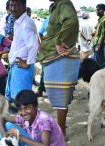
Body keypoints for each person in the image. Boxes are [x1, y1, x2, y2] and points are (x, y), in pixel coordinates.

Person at [37, 0, 79, 136]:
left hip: (58, 58)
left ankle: (61, 133)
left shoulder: (63, 4)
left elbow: (71, 21)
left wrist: (59, 41)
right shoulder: (57, 5)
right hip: (55, 57)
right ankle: (62, 130)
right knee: (62, 99)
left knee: (61, 99)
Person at [5, 0, 39, 106]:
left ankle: (27, 123)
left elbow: (33, 45)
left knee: (23, 103)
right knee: (17, 101)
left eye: (16, 5)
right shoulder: (19, 22)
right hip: (17, 67)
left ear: (24, 6)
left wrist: (28, 63)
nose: (13, 9)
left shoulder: (26, 23)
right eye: (11, 5)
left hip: (22, 69)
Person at [36, 16, 50, 98]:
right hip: (47, 48)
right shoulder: (46, 21)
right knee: (45, 67)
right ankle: (41, 89)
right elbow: (40, 32)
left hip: (58, 48)